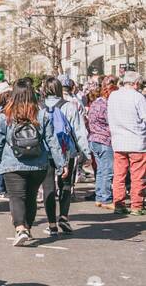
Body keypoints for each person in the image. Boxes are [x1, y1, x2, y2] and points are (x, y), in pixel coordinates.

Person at [0, 84, 64, 246]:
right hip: (38, 164)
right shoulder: (41, 114)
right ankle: (27, 228)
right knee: (30, 197)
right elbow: (52, 141)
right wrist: (60, 163)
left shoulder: (4, 115)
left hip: (12, 163)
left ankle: (20, 228)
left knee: (16, 197)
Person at [40, 75, 91, 234]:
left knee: (48, 187)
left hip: (46, 151)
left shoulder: (39, 107)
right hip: (66, 150)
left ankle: (51, 223)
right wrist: (86, 152)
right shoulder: (69, 106)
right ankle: (64, 217)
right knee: (66, 185)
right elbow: (79, 130)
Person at [107, 71, 146, 215]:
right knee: (138, 176)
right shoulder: (138, 97)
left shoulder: (113, 96)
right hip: (137, 141)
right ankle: (136, 205)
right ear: (136, 83)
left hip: (118, 140)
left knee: (119, 175)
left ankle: (119, 203)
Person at [87, 76, 116, 209]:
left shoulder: (95, 103)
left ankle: (99, 196)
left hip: (94, 140)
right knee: (107, 170)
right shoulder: (107, 105)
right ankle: (105, 198)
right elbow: (112, 122)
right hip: (104, 140)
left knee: (100, 171)